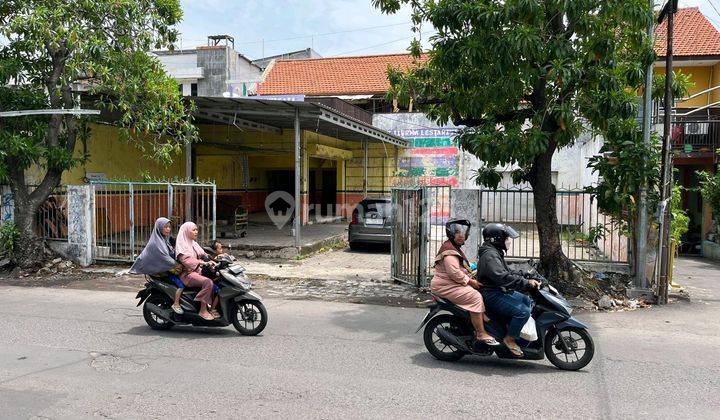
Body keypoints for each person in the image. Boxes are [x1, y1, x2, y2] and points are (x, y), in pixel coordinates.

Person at [430, 219, 500, 348]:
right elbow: (454, 273)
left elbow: (461, 268)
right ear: (451, 234)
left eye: (463, 233)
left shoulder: (453, 247)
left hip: (451, 283)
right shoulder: (449, 251)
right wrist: (470, 281)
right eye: (457, 233)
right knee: (475, 297)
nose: (462, 235)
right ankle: (480, 333)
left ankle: (480, 314)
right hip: (446, 286)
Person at [477, 223, 541, 357]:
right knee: (523, 312)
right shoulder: (490, 256)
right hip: (492, 294)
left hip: (498, 290)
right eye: (506, 238)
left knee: (526, 300)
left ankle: (509, 329)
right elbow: (502, 277)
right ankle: (509, 338)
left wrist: (526, 274)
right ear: (496, 239)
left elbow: (507, 271)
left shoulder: (494, 252)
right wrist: (526, 283)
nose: (508, 241)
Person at [129, 217, 185, 314]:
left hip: (167, 270)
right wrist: (178, 265)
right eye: (166, 227)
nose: (168, 229)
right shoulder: (156, 243)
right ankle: (176, 304)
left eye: (169, 227)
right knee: (181, 285)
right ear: (159, 228)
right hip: (161, 273)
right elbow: (165, 259)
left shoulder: (164, 240)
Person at [175, 222, 218, 321]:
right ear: (186, 231)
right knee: (208, 282)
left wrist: (214, 258)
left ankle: (212, 307)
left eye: (196, 230)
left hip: (198, 271)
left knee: (217, 277)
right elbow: (187, 261)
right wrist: (203, 263)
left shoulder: (193, 243)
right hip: (188, 274)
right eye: (193, 230)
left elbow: (203, 254)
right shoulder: (182, 246)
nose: (196, 232)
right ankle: (203, 310)